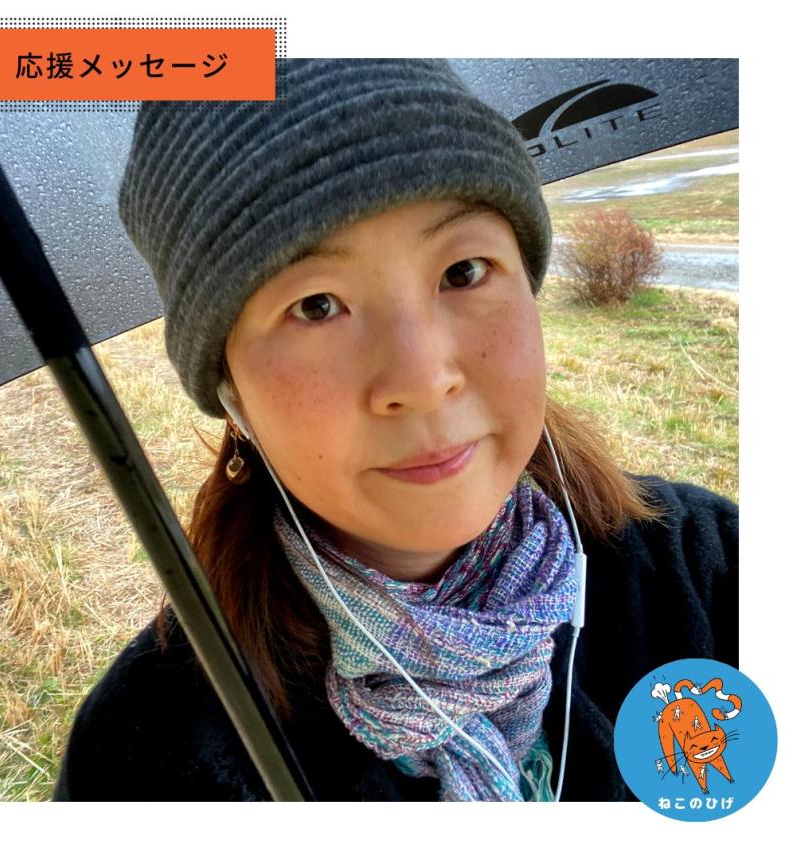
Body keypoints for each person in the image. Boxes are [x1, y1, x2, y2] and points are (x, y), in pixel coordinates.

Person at [52, 59, 737, 802]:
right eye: (316, 306)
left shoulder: (709, 574)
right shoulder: (147, 756)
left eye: (464, 270)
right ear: (232, 394)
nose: (421, 377)